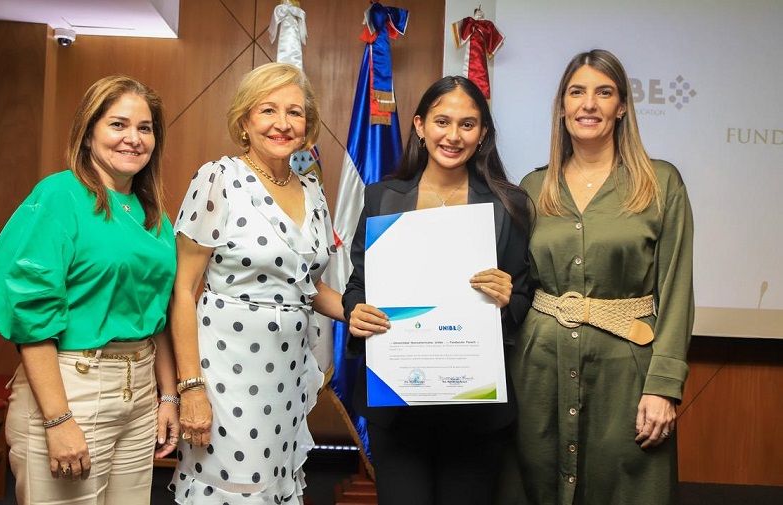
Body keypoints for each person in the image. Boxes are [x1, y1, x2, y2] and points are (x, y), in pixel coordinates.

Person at [0, 75, 180, 505]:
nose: (133, 138)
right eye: (118, 125)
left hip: (139, 389)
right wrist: (58, 419)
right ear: (89, 134)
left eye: (145, 128)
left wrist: (167, 395)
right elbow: (31, 315)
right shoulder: (59, 195)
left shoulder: (154, 216)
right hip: (73, 385)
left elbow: (159, 313)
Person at [510, 49, 694, 504]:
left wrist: (663, 387)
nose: (588, 104)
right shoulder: (532, 188)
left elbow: (676, 290)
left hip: (627, 376)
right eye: (577, 92)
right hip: (537, 372)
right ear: (562, 106)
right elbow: (514, 285)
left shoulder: (660, 183)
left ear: (622, 106)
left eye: (603, 92)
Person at [343, 75, 532, 505]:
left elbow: (524, 299)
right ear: (419, 125)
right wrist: (356, 312)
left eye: (468, 124)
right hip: (398, 402)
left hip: (476, 407)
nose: (453, 135)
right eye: (442, 121)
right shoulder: (382, 199)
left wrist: (507, 295)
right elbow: (357, 286)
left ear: (483, 133)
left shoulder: (509, 205)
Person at [169, 62, 343, 504]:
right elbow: (184, 290)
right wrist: (190, 390)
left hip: (286, 374)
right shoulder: (219, 179)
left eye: (295, 113)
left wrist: (361, 312)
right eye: (268, 110)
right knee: (233, 489)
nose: (282, 124)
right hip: (225, 373)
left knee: (273, 485)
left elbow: (308, 287)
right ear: (245, 120)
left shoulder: (312, 190)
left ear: (309, 124)